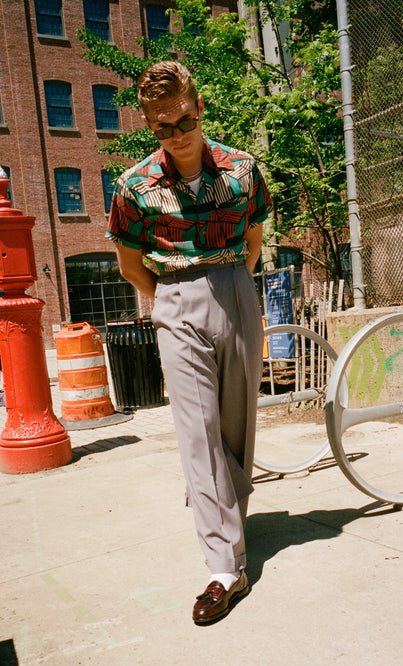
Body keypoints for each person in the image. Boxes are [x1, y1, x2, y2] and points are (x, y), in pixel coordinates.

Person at [106, 61, 272, 624]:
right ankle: (225, 567)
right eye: (161, 127)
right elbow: (130, 264)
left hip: (235, 288)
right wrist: (172, 299)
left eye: (182, 121)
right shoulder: (133, 186)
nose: (175, 135)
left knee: (235, 425)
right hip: (173, 297)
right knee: (197, 433)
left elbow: (253, 238)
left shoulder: (244, 169)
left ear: (198, 109)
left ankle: (230, 519)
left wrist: (233, 287)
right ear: (149, 125)